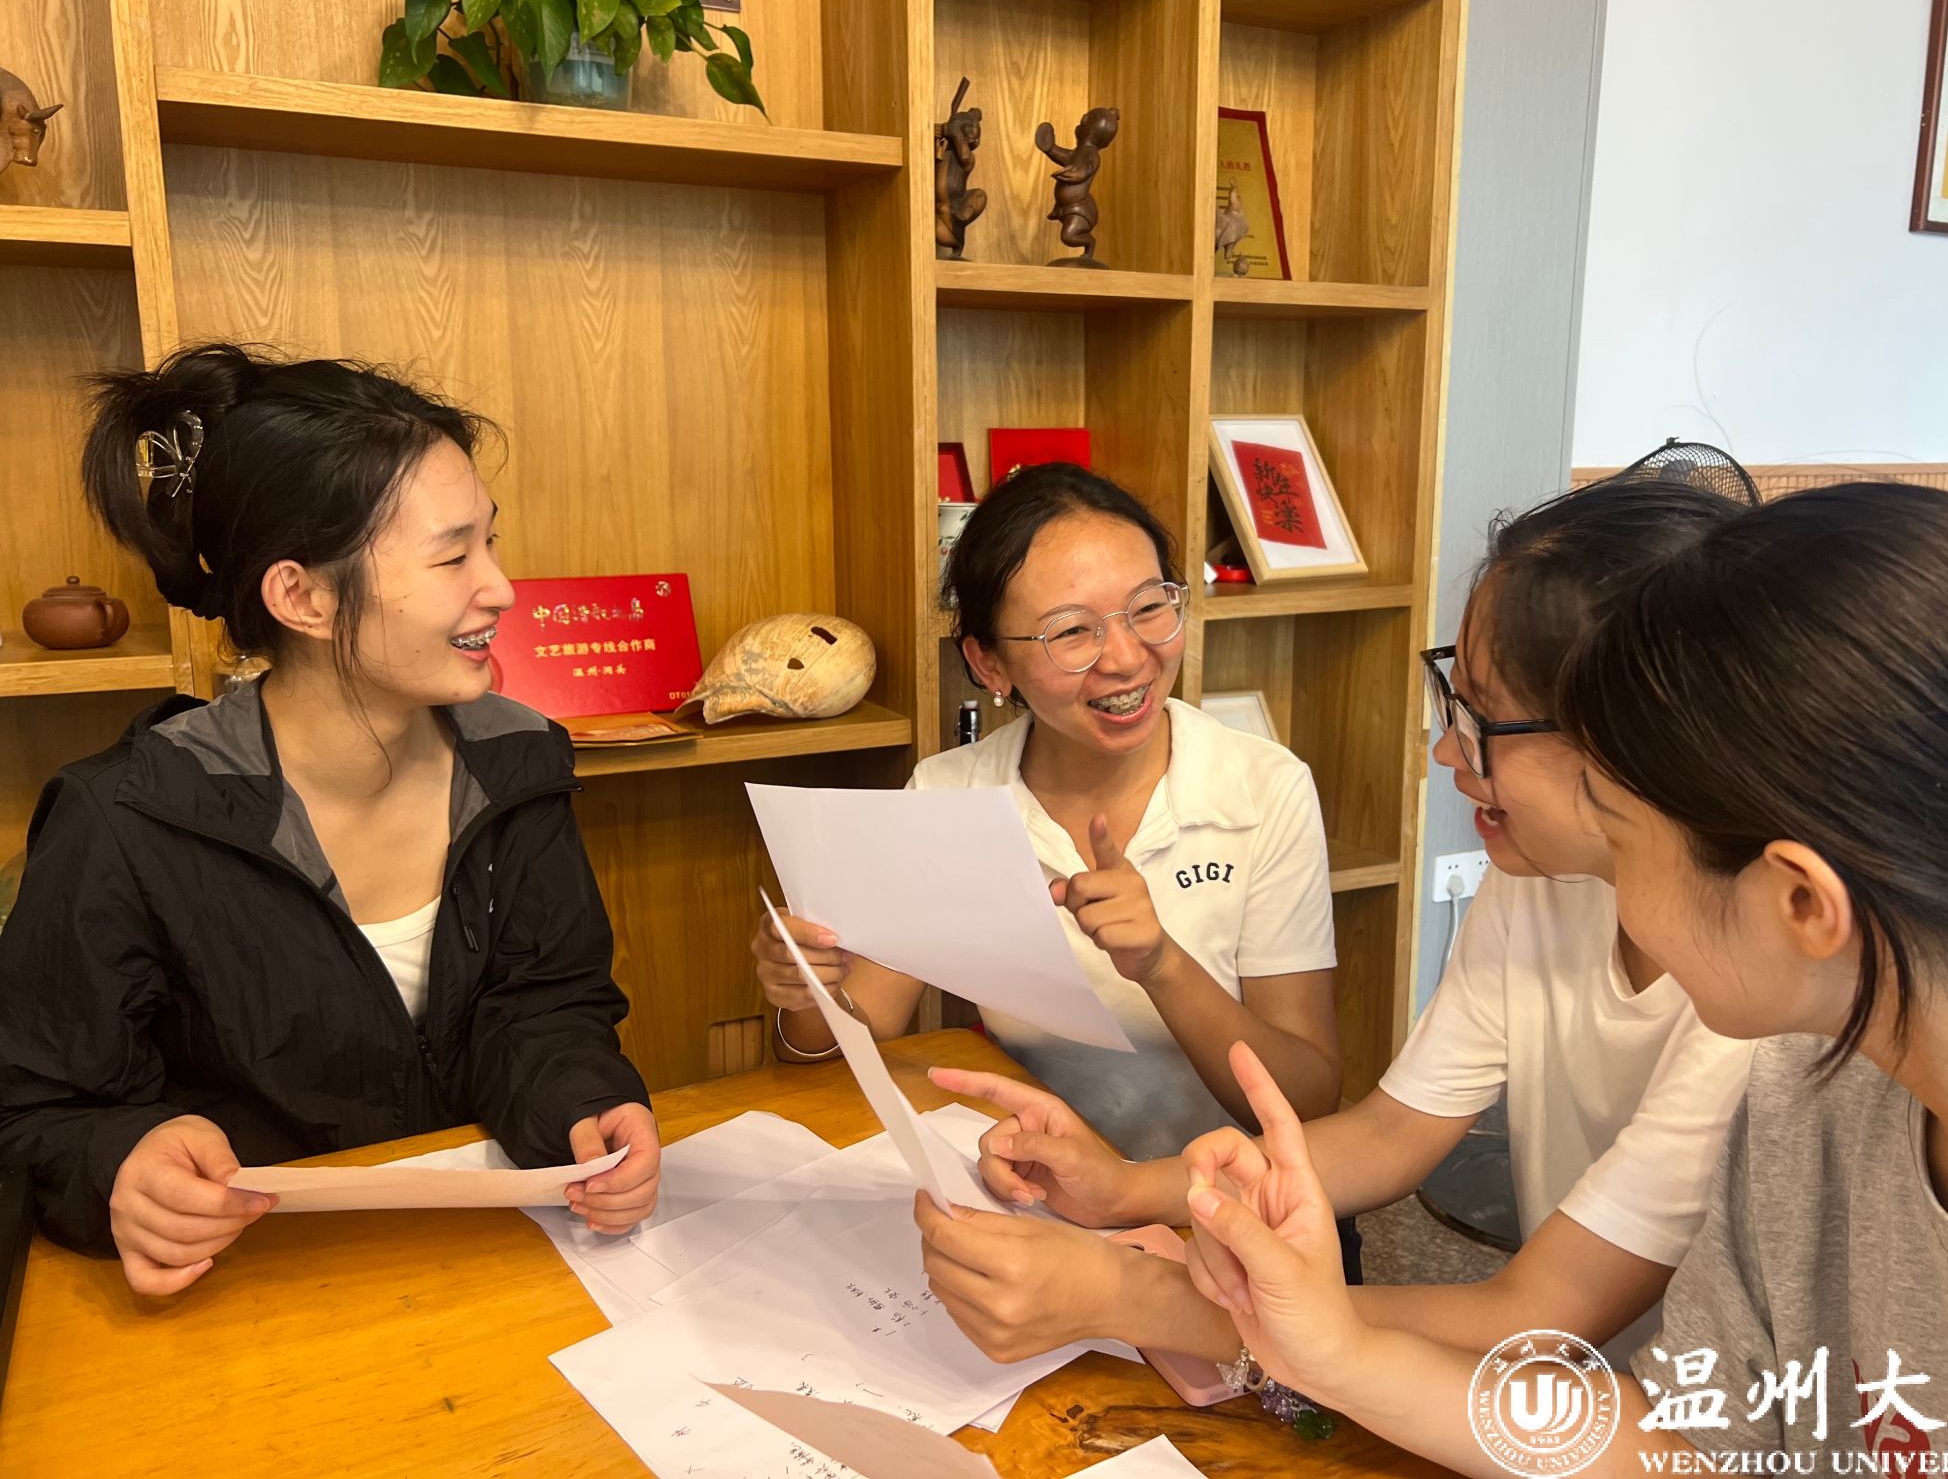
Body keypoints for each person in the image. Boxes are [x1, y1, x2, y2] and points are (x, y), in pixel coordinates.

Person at [1176, 482, 1948, 1470]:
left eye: (1624, 842)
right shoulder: (1809, 1094)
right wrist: (1336, 1354)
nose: (1613, 896)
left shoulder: (1782, 1073)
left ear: (1800, 903)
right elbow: (1691, 1447)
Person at [915, 454, 1758, 1367]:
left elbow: (1531, 1314)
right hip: (1581, 1385)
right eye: (1454, 701)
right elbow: (1390, 1134)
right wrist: (1123, 1193)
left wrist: (1133, 1296)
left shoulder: (1755, 992)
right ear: (989, 661)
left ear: (1633, 740)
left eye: (1483, 720)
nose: (1445, 752)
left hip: (1692, 1407)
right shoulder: (1535, 881)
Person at [0, 343, 658, 1296]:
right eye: (452, 556)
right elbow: (32, 1114)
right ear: (300, 595)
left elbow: (546, 1006)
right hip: (254, 1287)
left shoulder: (517, 761)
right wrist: (120, 1168)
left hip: (482, 1266)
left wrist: (584, 1102)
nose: (502, 588)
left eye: (491, 541)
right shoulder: (126, 820)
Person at [752, 463, 1344, 1164]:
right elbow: (836, 1054)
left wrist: (1161, 965)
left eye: (1149, 607)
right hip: (1040, 1190)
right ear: (989, 665)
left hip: (1226, 1198)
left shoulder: (1263, 788)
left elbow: (1308, 1099)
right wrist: (806, 991)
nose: (1126, 658)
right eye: (1071, 631)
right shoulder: (951, 798)